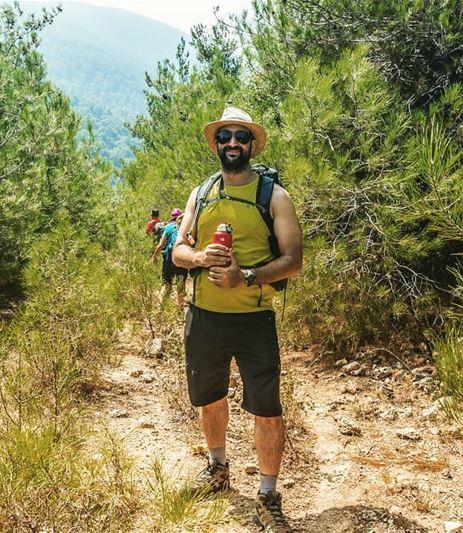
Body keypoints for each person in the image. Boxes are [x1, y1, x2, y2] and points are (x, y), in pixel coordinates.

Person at [171, 107, 302, 532]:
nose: (231, 143)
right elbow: (178, 250)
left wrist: (244, 275)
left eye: (239, 136)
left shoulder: (274, 197)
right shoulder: (202, 192)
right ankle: (217, 469)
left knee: (266, 408)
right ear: (216, 143)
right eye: (224, 135)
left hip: (253, 320)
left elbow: (293, 261)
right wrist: (198, 257)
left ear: (251, 145)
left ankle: (267, 495)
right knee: (210, 396)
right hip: (203, 316)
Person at [152, 208, 187, 304]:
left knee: (166, 285)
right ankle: (179, 311)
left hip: (168, 260)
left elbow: (160, 245)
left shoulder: (168, 227)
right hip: (181, 259)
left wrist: (154, 256)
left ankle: (159, 309)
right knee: (181, 286)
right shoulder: (187, 230)